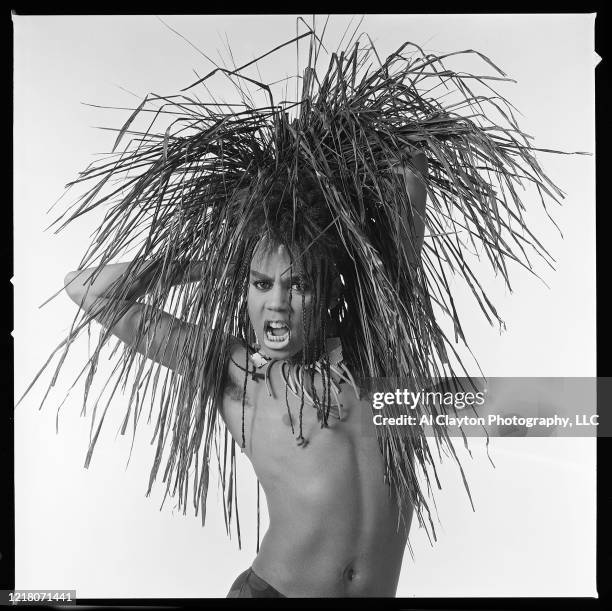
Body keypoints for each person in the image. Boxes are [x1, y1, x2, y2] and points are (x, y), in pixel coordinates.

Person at [64, 153, 428, 598]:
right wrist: (206, 268)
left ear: (331, 290)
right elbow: (86, 288)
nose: (276, 303)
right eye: (260, 283)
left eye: (298, 285)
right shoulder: (237, 373)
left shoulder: (378, 355)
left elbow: (409, 182)